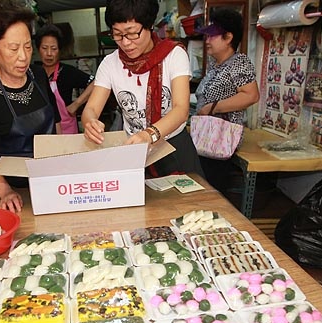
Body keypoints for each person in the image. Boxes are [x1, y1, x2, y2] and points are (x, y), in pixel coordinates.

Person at [82, 0, 203, 177]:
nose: (125, 43)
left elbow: (181, 109)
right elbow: (91, 109)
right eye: (117, 35)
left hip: (173, 146)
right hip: (133, 150)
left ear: (149, 26)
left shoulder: (174, 55)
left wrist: (149, 135)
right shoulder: (110, 64)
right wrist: (90, 122)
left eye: (132, 34)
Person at [0, 0, 60, 213]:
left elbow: (57, 125)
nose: (23, 56)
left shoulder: (38, 75)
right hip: (17, 193)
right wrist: (5, 191)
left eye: (28, 46)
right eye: (13, 48)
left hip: (52, 180)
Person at [195, 7, 259, 193]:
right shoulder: (217, 65)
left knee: (213, 189)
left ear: (228, 37)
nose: (207, 41)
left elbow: (251, 95)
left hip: (220, 139)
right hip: (206, 137)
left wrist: (211, 108)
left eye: (212, 36)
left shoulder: (239, 63)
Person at [35, 24, 95, 134]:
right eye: (44, 48)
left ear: (59, 50)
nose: (49, 53)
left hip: (67, 130)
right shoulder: (34, 73)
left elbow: (96, 82)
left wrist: (77, 103)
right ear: (38, 49)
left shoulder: (67, 72)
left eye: (53, 49)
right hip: (43, 130)